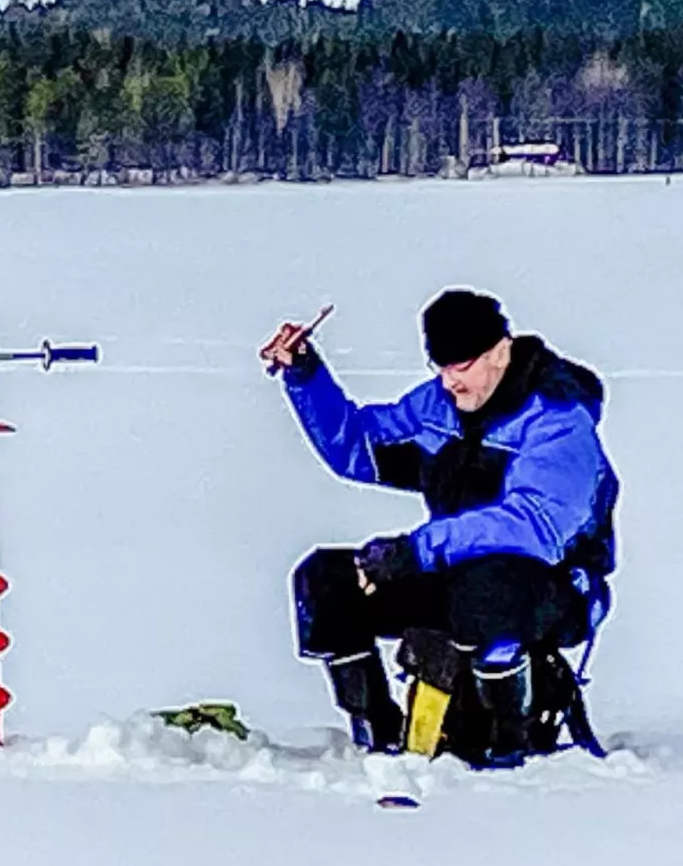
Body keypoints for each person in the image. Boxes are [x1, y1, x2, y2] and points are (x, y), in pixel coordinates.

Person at [262, 289, 619, 767]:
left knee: (488, 588)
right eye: (441, 367)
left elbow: (535, 526)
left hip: (554, 589)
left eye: (463, 366)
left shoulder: (557, 420)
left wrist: (416, 551)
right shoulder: (435, 405)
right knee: (325, 580)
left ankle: (511, 741)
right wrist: (305, 373)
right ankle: (378, 737)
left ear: (499, 352)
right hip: (454, 569)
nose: (450, 381)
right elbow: (356, 448)